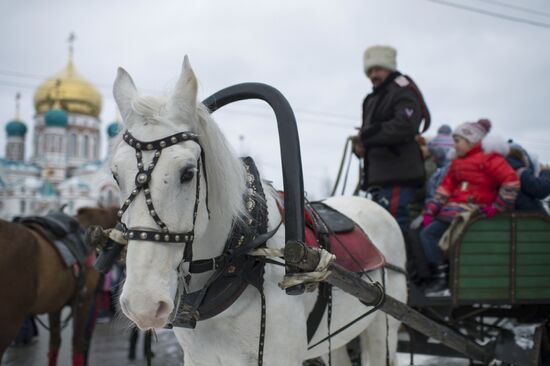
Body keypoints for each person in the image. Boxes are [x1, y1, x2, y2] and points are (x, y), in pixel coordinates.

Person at [421, 119, 520, 295]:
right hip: (452, 210)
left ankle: (445, 279)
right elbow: (445, 188)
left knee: (441, 235)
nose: (455, 145)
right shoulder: (456, 163)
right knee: (427, 233)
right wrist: (431, 210)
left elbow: (511, 181)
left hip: (475, 210)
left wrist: (498, 206)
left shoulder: (490, 158)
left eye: (458, 141)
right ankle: (442, 276)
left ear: (471, 140)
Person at [353, 45, 431, 233]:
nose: (373, 75)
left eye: (378, 68)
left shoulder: (403, 89)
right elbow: (373, 135)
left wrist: (367, 135)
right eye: (370, 71)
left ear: (389, 67)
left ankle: (415, 263)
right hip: (380, 176)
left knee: (395, 226)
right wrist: (361, 146)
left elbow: (404, 125)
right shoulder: (373, 98)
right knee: (384, 227)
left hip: (398, 175)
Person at [506, 142, 550, 213]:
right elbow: (539, 189)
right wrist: (546, 173)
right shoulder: (518, 170)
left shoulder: (504, 169)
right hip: (528, 217)